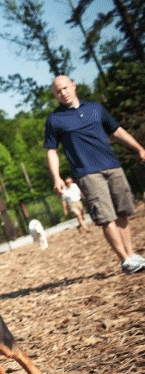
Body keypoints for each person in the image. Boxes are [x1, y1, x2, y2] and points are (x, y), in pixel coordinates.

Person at [44, 75, 145, 274]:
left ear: (74, 86)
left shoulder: (95, 109)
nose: (63, 93)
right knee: (106, 217)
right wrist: (56, 177)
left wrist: (139, 148)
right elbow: (51, 150)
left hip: (112, 166)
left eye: (65, 88)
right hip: (86, 172)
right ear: (54, 95)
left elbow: (116, 131)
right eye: (58, 91)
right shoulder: (55, 120)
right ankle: (124, 259)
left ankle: (132, 254)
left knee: (123, 211)